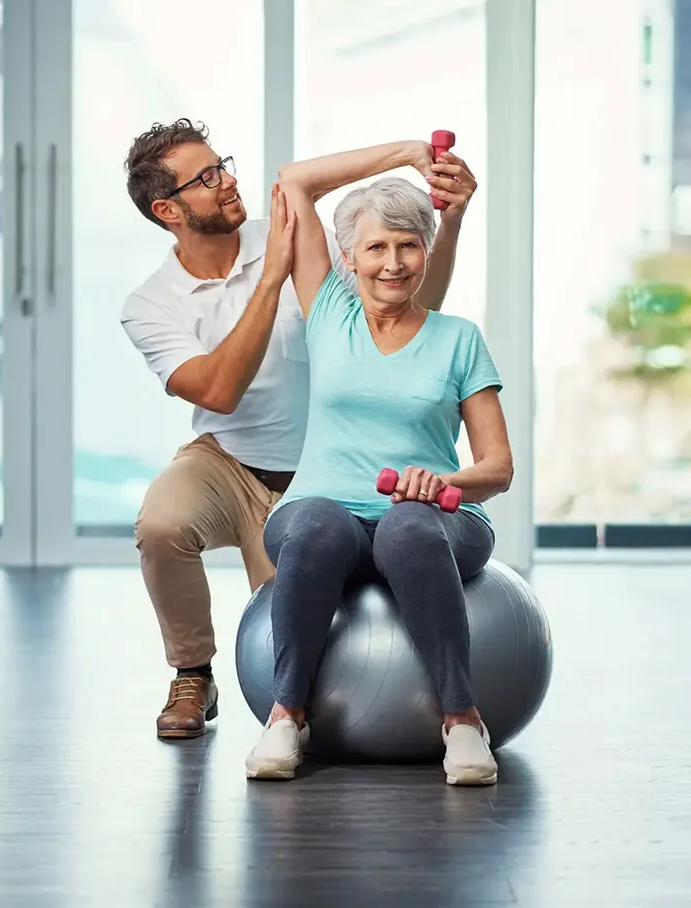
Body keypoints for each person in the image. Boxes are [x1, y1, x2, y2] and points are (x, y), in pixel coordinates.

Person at [120, 119, 478, 739]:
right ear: (166, 209)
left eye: (221, 164)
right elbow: (218, 391)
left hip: (320, 476)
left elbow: (412, 300)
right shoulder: (152, 303)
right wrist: (269, 279)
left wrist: (414, 163)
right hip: (226, 458)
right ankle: (192, 674)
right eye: (204, 179)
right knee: (161, 522)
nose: (227, 181)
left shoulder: (289, 237)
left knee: (310, 622)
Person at [244, 140, 513, 786]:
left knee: (407, 526)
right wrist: (406, 154)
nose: (393, 263)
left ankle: (462, 721)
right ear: (349, 258)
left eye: (408, 246)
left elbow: (498, 467)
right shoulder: (329, 312)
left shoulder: (458, 339)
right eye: (376, 247)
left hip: (436, 521)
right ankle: (287, 715)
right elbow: (294, 181)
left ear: (427, 251)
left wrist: (441, 481)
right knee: (315, 525)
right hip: (322, 511)